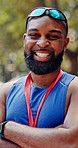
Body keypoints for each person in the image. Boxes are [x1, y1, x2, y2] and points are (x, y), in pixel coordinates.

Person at [0, 7, 78, 148]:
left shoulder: (74, 89)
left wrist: (7, 128)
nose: (42, 43)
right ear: (25, 40)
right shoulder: (5, 92)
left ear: (65, 43)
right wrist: (52, 138)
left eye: (53, 36)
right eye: (34, 35)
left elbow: (71, 141)